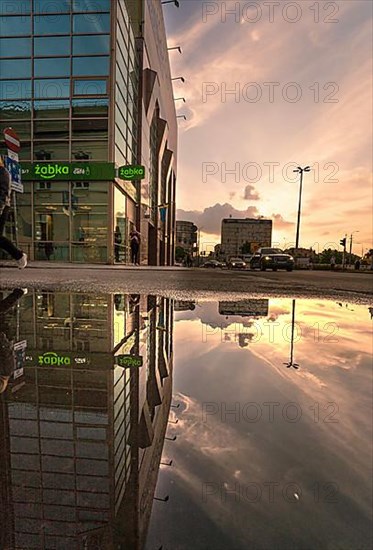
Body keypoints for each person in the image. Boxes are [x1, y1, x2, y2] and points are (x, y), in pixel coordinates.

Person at [0, 288, 26, 394]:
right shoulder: (6, 371)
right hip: (3, 336)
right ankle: (18, 293)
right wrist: (1, 337)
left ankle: (18, 293)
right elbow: (7, 353)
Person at [0, 166, 27, 268]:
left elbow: (4, 192)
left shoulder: (2, 172)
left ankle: (19, 255)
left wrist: (0, 208)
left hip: (2, 207)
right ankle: (19, 255)